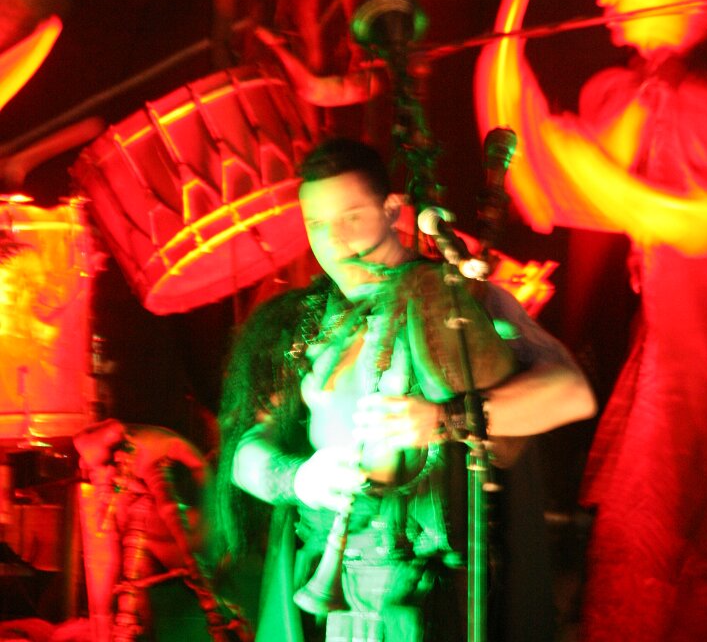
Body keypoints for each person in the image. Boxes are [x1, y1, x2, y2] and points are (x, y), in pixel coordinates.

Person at [478, 0, 707, 642]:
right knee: (652, 545)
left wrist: (582, 160)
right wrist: (509, 58)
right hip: (675, 361)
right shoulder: (649, 90)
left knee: (701, 557)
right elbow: (555, 188)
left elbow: (701, 222)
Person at [215, 136, 596, 642]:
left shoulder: (459, 300)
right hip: (325, 591)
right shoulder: (301, 323)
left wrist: (443, 420)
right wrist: (299, 478)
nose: (335, 240)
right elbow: (245, 453)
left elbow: (571, 393)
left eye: (352, 216)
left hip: (431, 595)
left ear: (392, 209)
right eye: (317, 224)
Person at [75, 418, 251, 642]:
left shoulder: (151, 455)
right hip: (165, 504)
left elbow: (193, 474)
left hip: (174, 505)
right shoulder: (127, 458)